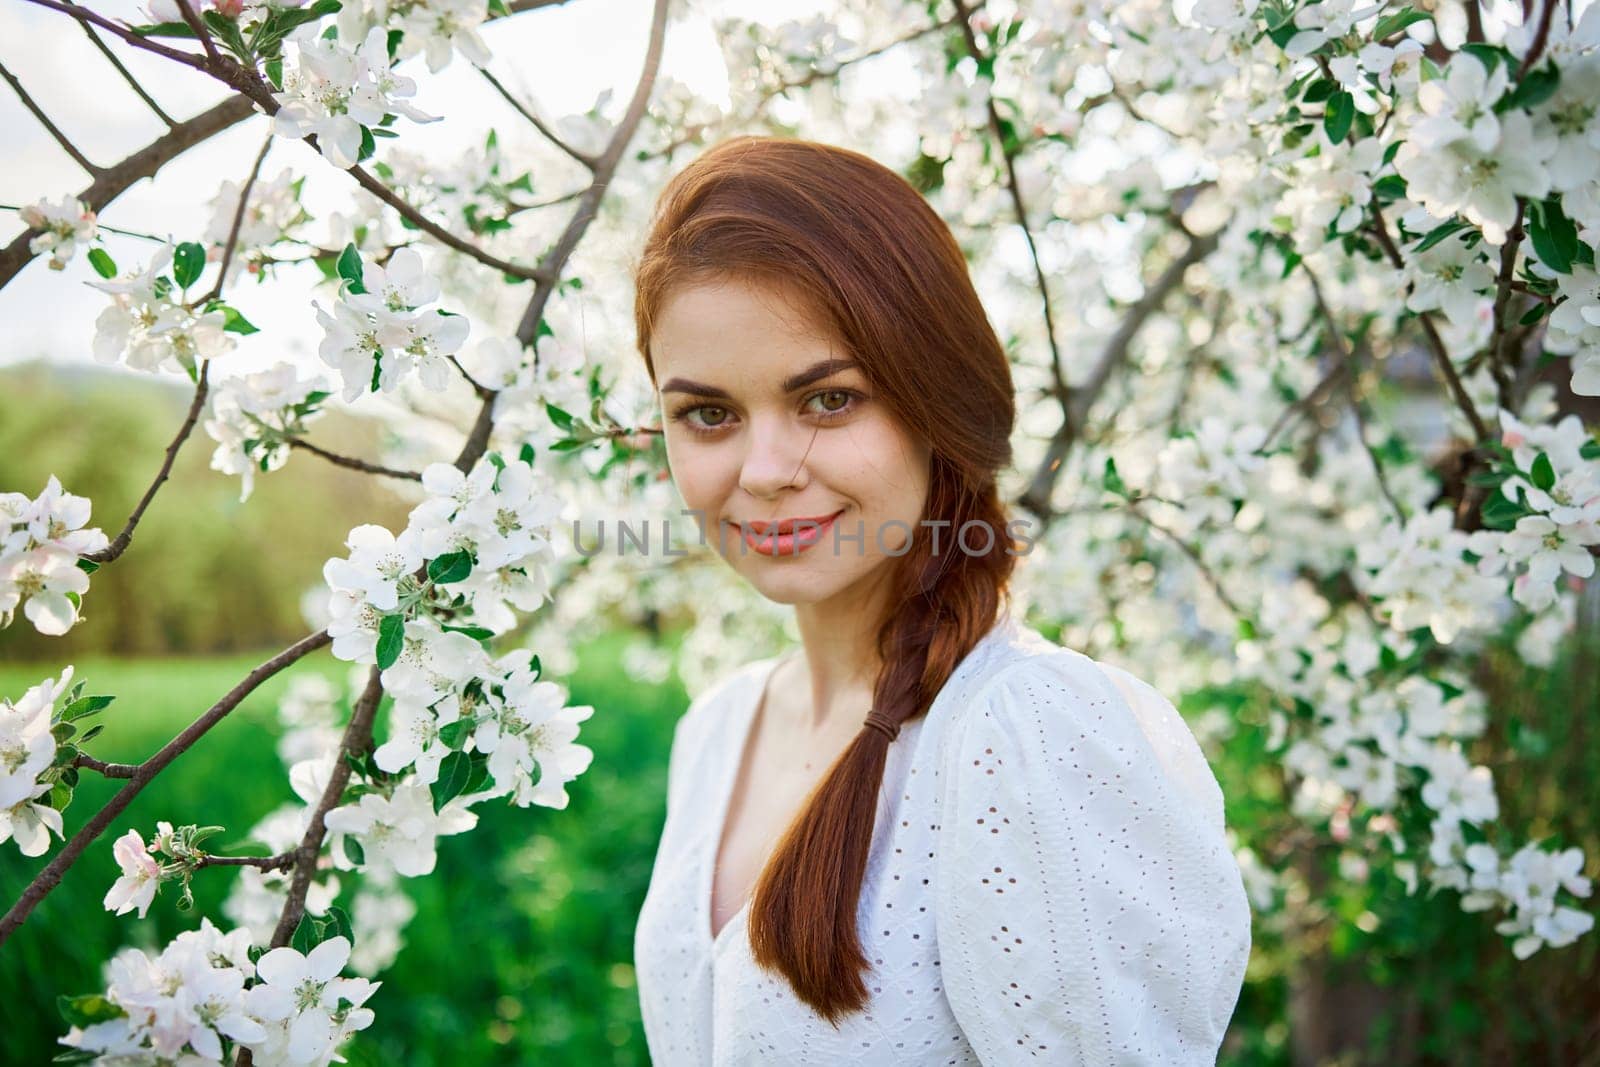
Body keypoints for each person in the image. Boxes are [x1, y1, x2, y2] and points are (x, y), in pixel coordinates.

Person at [629, 135, 1251, 1065]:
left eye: (829, 399)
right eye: (709, 414)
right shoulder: (717, 730)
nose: (763, 472)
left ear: (936, 401)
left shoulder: (1022, 733)